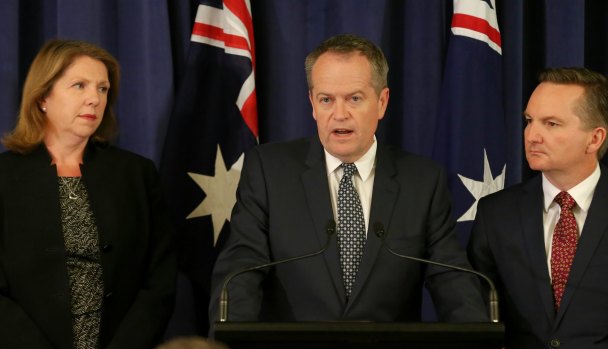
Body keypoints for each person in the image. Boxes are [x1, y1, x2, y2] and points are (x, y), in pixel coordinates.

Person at [208, 34, 488, 333]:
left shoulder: (421, 181)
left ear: (382, 102)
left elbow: (452, 281)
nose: (339, 114)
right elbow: (240, 272)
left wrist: (479, 339)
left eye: (354, 98)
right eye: (326, 100)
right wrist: (230, 341)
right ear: (312, 104)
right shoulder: (269, 171)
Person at [0, 39, 176, 348]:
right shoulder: (5, 176)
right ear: (43, 96)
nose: (94, 99)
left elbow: (160, 280)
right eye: (79, 86)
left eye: (102, 89)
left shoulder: (136, 174)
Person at [468, 67, 608, 348]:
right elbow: (476, 313)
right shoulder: (496, 214)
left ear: (595, 138)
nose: (531, 135)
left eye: (551, 124)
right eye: (529, 121)